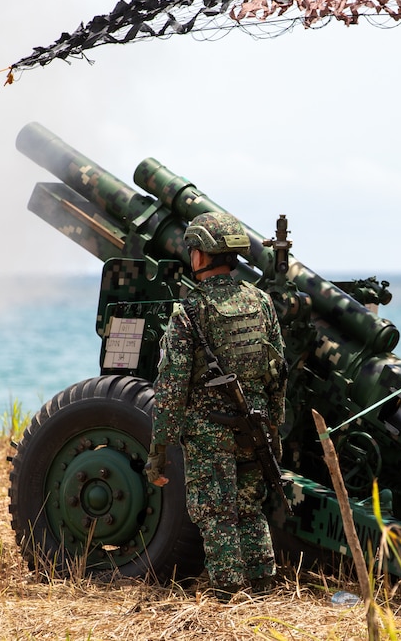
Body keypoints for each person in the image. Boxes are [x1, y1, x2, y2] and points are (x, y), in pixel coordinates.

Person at [143, 211, 287, 599]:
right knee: (250, 510)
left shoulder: (190, 312)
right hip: (255, 427)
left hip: (210, 432)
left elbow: (170, 389)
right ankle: (262, 589)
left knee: (216, 515)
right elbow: (278, 372)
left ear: (202, 255)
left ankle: (230, 597)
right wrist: (273, 429)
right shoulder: (261, 302)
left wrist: (159, 451)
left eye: (193, 249)